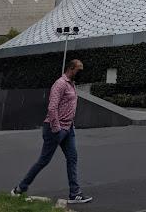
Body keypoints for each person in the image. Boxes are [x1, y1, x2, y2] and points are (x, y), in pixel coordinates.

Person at [11, 59, 92, 204]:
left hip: (68, 128)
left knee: (72, 158)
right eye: (79, 70)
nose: (81, 73)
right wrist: (57, 129)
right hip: (55, 129)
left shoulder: (72, 84)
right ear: (71, 69)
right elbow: (52, 107)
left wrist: (68, 126)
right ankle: (19, 189)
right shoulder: (60, 84)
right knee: (44, 160)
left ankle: (75, 194)